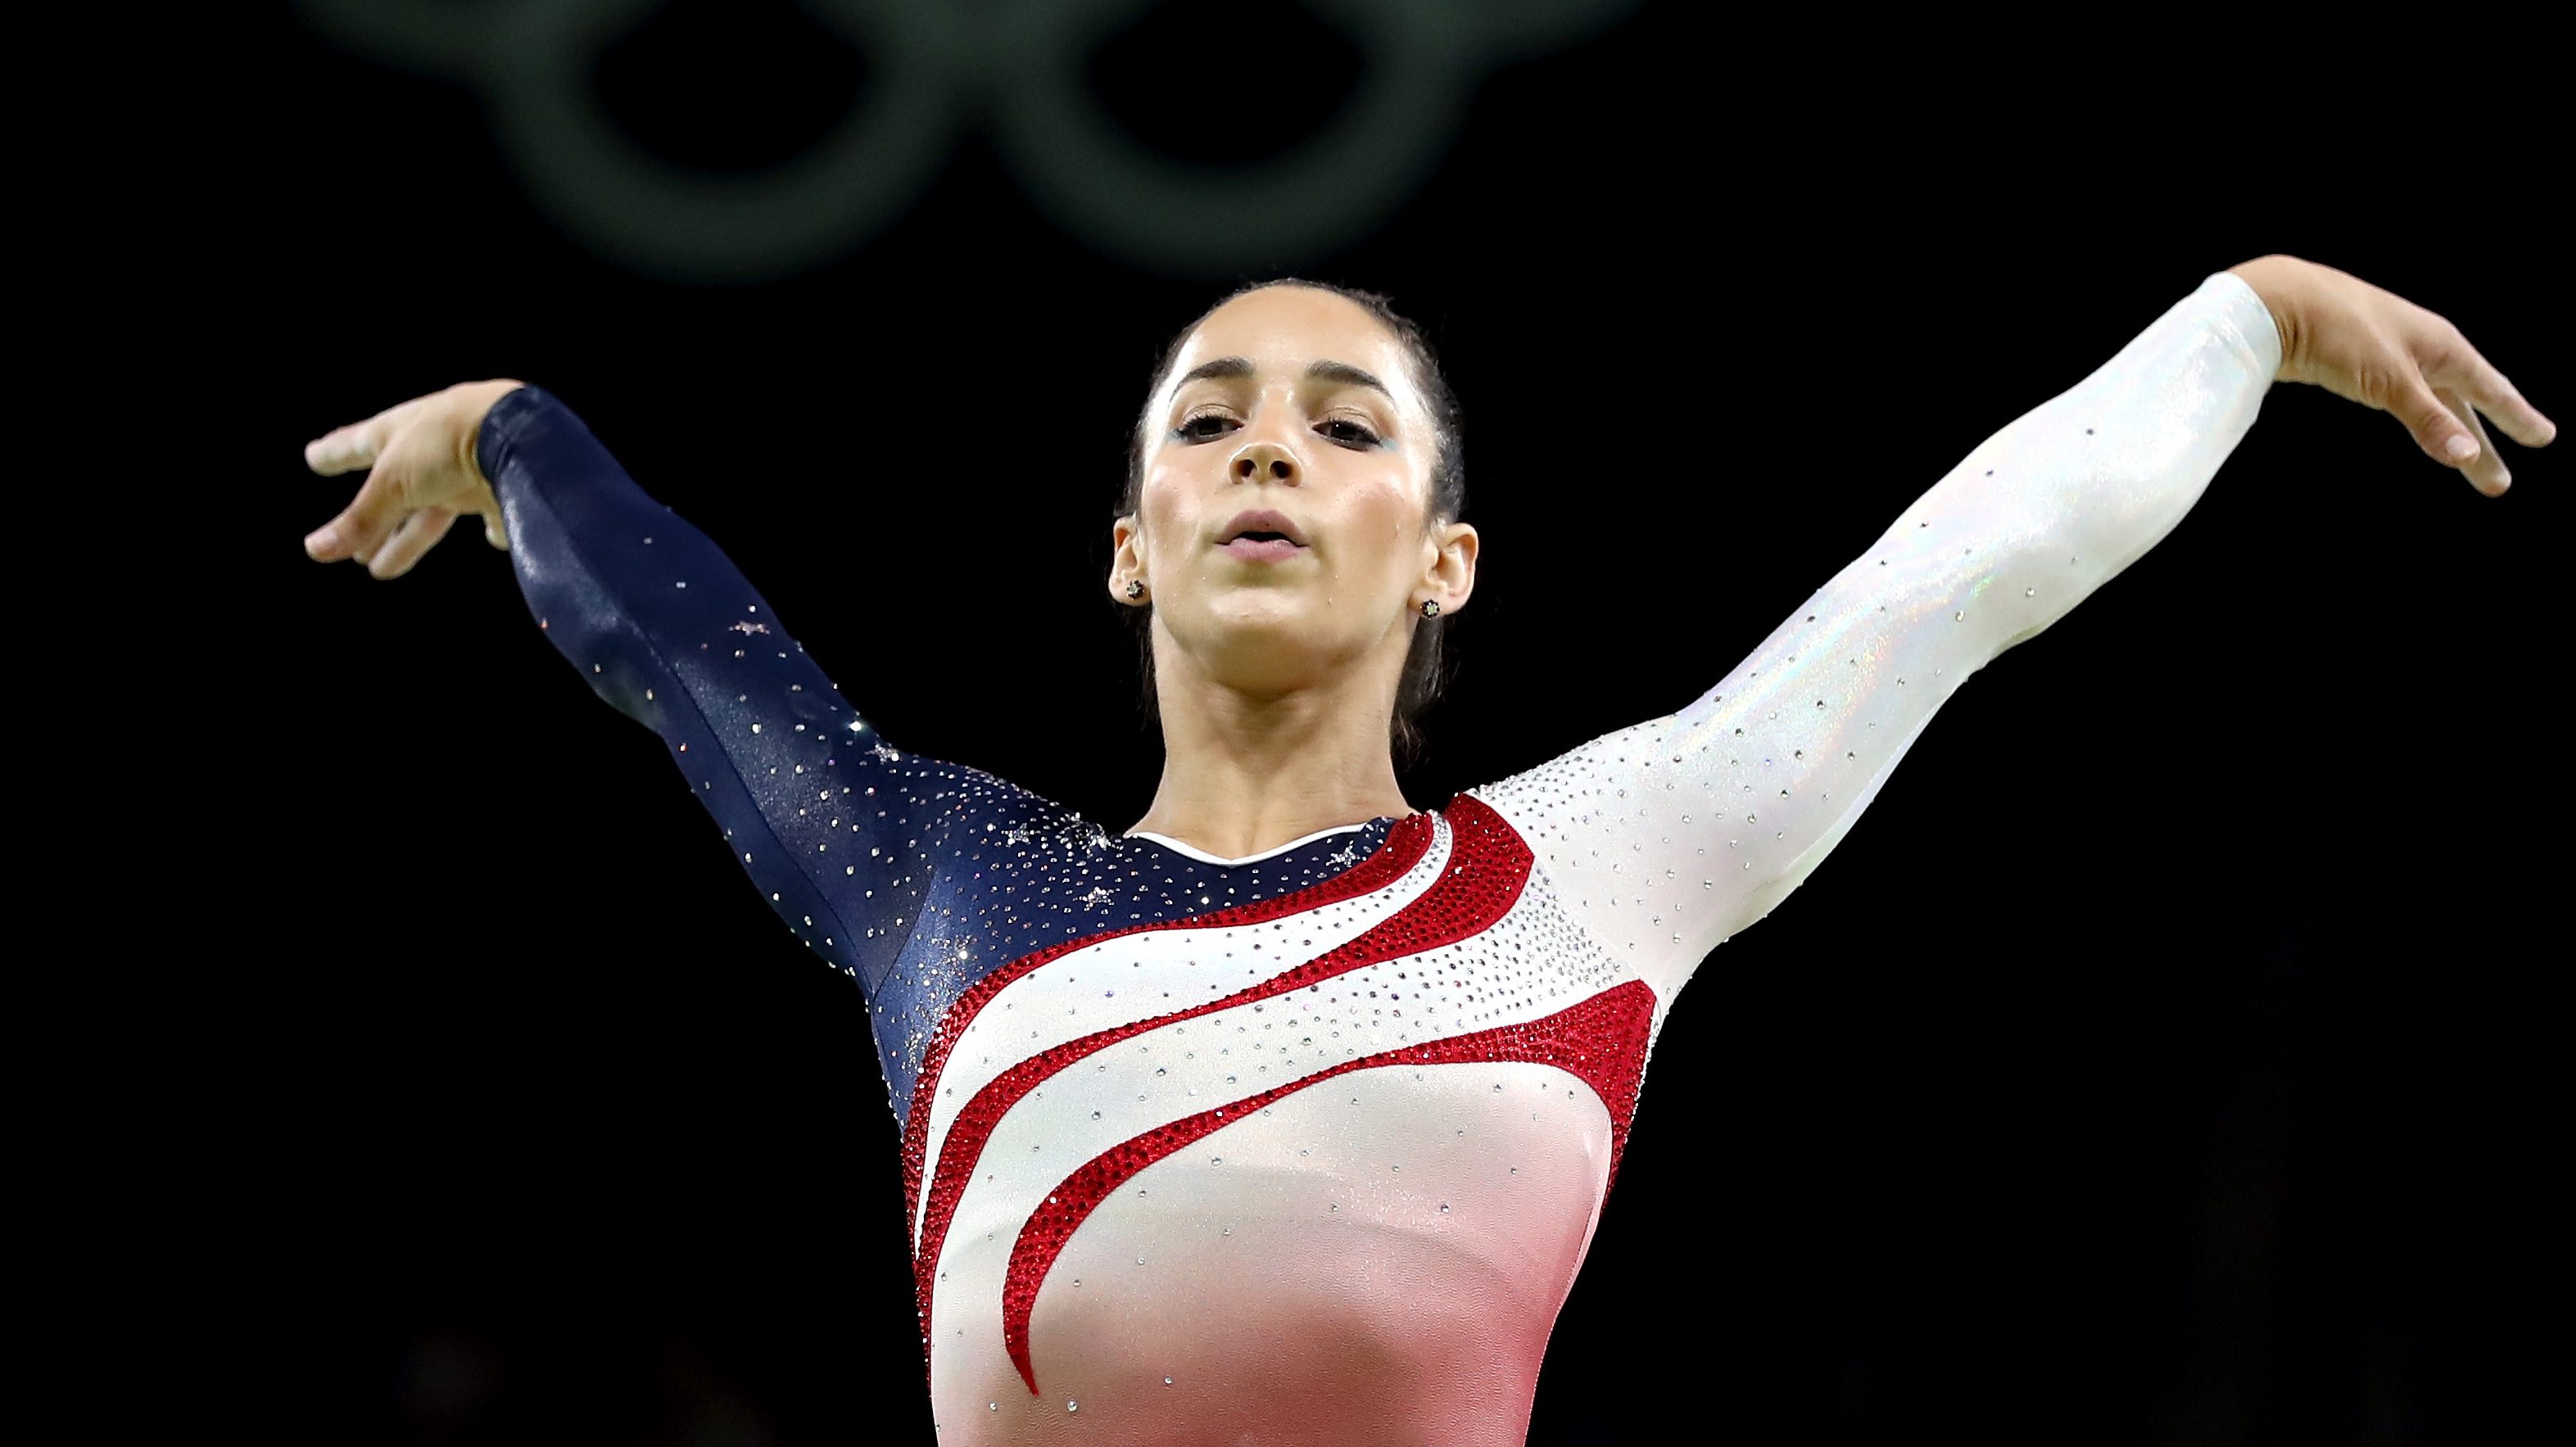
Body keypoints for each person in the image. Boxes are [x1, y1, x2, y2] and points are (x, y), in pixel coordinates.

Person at [299, 258, 2550, 1445]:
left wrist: (2240, 322)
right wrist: (514, 441)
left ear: (1444, 558)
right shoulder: (937, 888)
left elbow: (1949, 578)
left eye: (1342, 423)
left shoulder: (1602, 866)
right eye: (1211, 421)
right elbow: (690, 652)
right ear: (1128, 547)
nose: (1269, 450)